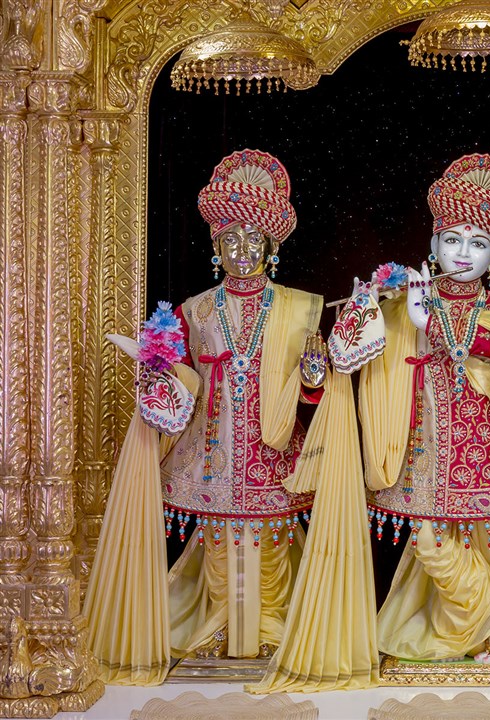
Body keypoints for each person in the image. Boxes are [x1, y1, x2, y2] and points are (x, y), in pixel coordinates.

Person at [85, 149, 326, 683]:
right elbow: (185, 380)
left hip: (272, 447)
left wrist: (313, 377)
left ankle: (270, 633)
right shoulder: (194, 309)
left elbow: (315, 394)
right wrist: (161, 383)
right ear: (215, 247)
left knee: (272, 545)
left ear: (272, 246)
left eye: (253, 239)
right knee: (219, 545)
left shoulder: (301, 307)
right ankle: (221, 629)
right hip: (211, 449)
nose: (242, 250)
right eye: (230, 239)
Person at [359, 153, 490, 678]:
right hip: (422, 442)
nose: (462, 253)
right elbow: (361, 351)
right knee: (429, 541)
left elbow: (479, 345)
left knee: (485, 541)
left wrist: (425, 321)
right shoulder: (407, 299)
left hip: (480, 446)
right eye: (451, 240)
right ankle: (488, 621)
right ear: (432, 245)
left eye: (477, 244)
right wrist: (371, 305)